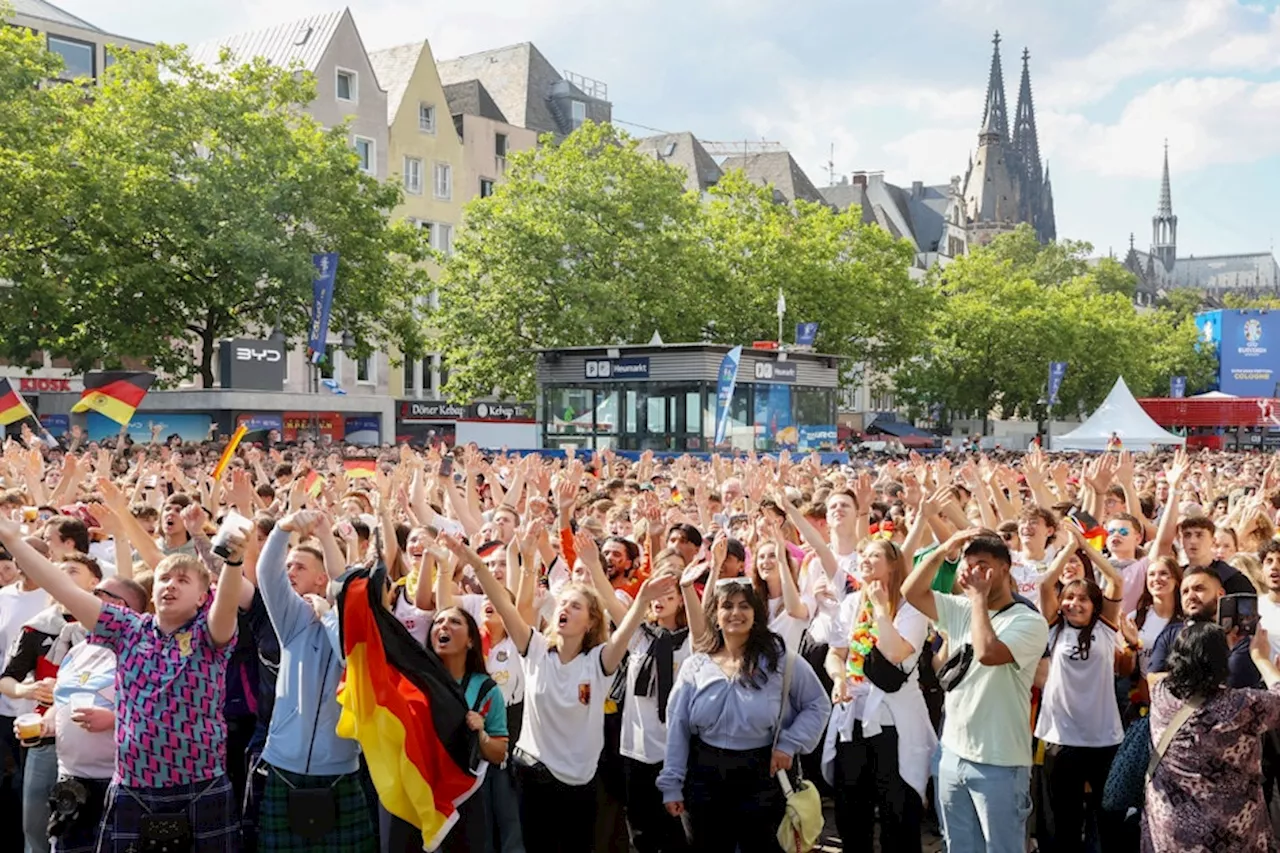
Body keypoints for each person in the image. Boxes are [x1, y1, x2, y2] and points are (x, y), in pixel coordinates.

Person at [0, 509, 245, 853]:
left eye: (182, 580)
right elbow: (63, 589)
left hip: (200, 784)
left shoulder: (209, 634)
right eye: (164, 579)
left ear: (202, 598)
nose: (170, 585)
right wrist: (12, 540)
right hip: (133, 786)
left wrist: (233, 566)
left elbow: (227, 609)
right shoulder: (128, 628)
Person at [445, 533, 672, 853]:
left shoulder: (600, 661)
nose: (564, 608)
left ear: (591, 620)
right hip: (532, 775)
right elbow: (500, 601)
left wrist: (642, 600)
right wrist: (474, 562)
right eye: (562, 603)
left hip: (580, 784)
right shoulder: (534, 647)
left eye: (575, 605)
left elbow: (627, 632)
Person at [902, 529, 1048, 853]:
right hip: (952, 754)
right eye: (969, 566)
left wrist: (978, 599)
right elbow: (911, 592)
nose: (973, 573)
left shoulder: (1029, 621)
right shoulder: (961, 608)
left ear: (1005, 569)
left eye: (983, 565)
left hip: (1000, 762)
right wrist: (943, 550)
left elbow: (987, 652)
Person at [658, 578, 829, 853]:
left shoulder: (781, 661)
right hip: (704, 778)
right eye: (727, 606)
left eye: (744, 606)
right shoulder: (696, 665)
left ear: (756, 614)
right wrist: (672, 784)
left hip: (762, 776)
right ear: (715, 614)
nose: (735, 613)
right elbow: (677, 726)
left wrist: (789, 743)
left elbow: (818, 705)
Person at [252, 511, 375, 853]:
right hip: (282, 764)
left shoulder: (354, 622)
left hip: (339, 769)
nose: (289, 572)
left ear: (323, 579)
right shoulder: (292, 617)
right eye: (288, 565)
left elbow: (351, 659)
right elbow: (266, 574)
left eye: (299, 567)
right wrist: (282, 528)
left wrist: (329, 615)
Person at [823, 538, 935, 853]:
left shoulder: (911, 606)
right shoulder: (850, 604)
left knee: (897, 812)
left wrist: (882, 613)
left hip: (894, 723)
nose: (866, 560)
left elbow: (897, 652)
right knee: (851, 810)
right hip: (853, 717)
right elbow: (836, 653)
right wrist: (839, 677)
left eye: (874, 555)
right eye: (862, 555)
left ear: (893, 563)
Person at [1143, 622, 1280, 852]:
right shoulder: (1240, 706)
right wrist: (1261, 658)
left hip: (1171, 826)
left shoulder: (1160, 694)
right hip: (1230, 830)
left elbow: (1168, 674)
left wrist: (1210, 644)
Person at [46, 575, 148, 853]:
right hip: (70, 782)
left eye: (97, 593)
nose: (88, 599)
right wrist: (48, 720)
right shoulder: (77, 650)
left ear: (120, 607)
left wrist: (115, 719)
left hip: (120, 782)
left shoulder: (141, 650)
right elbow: (64, 698)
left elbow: (166, 711)